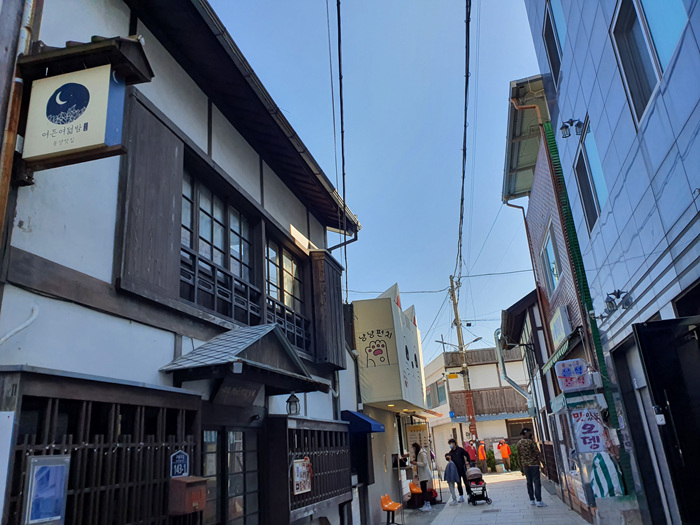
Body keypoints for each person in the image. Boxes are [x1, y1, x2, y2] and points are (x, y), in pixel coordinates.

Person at [517, 428, 547, 507]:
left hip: (525, 465)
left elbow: (519, 456)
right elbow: (537, 453)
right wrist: (543, 463)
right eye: (530, 433)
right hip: (534, 464)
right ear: (527, 434)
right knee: (536, 482)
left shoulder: (519, 443)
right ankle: (539, 501)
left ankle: (531, 500)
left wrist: (521, 468)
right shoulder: (531, 442)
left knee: (529, 482)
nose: (531, 434)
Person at [411, 442, 432, 512]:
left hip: (424, 474)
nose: (413, 450)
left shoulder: (422, 453)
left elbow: (424, 463)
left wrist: (416, 463)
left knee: (424, 489)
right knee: (423, 489)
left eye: (414, 448)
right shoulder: (419, 453)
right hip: (422, 474)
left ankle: (427, 504)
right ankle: (426, 503)